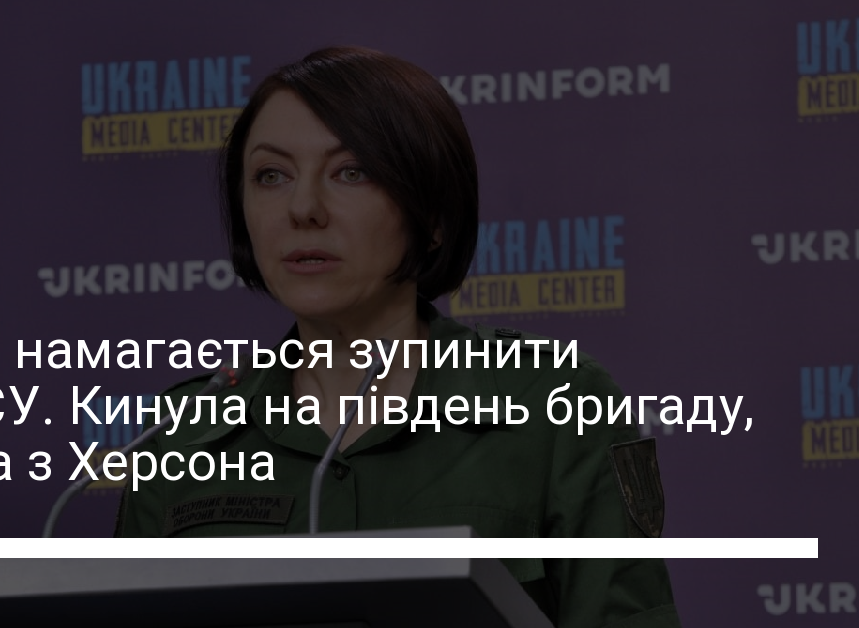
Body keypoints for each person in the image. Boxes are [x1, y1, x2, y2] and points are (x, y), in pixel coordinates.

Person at [114, 45, 680, 628]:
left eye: (351, 172)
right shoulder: (181, 437)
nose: (303, 208)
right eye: (271, 176)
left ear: (432, 215)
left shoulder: (556, 405)